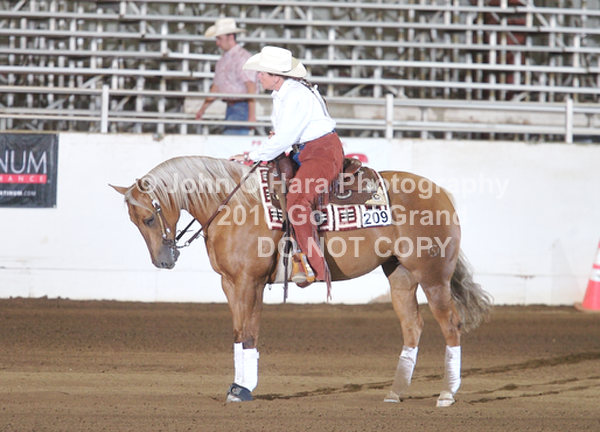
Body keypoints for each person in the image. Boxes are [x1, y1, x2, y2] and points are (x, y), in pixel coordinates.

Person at [232, 46, 344, 287]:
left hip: (321, 152)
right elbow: (283, 134)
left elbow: (284, 138)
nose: (258, 76)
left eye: (262, 73)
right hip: (306, 150)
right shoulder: (283, 94)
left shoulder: (295, 95)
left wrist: (252, 156)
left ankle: (315, 267)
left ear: (276, 76)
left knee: (297, 201)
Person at [196, 18, 257, 135]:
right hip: (234, 107)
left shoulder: (242, 58)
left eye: (219, 38)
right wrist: (202, 110)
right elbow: (216, 88)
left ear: (230, 37)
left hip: (241, 107)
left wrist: (251, 115)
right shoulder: (224, 60)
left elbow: (251, 86)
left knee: (232, 140)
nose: (217, 43)